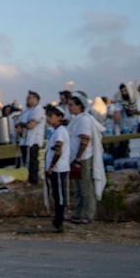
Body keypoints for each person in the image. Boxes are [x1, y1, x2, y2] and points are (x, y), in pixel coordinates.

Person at [67, 94, 105, 224]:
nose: (69, 107)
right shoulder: (76, 119)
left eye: (72, 105)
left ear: (79, 106)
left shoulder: (84, 120)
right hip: (75, 158)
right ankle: (77, 213)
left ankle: (88, 214)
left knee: (86, 187)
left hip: (83, 158)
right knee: (77, 188)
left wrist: (78, 157)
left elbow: (85, 139)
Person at [43, 105, 70, 233]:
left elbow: (58, 151)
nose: (48, 119)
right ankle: (57, 220)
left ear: (59, 117)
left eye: (51, 116)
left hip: (58, 169)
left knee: (59, 195)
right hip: (55, 168)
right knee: (56, 194)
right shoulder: (56, 131)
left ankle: (59, 221)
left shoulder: (60, 132)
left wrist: (52, 167)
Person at [15, 90, 46, 185]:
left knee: (32, 161)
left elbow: (31, 125)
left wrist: (21, 125)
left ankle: (33, 180)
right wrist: (19, 126)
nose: (27, 100)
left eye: (29, 98)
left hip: (33, 140)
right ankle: (26, 178)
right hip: (24, 140)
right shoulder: (26, 110)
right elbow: (19, 123)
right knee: (25, 161)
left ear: (36, 99)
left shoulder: (39, 110)